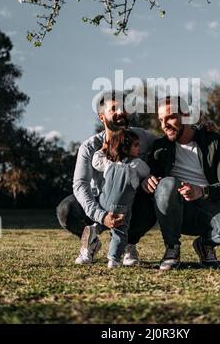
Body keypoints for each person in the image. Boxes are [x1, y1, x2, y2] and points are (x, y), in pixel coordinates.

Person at [140, 95, 220, 270]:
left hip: (209, 207)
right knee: (167, 184)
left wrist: (202, 191)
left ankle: (205, 244)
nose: (164, 125)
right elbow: (152, 178)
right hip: (176, 212)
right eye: (161, 120)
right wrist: (146, 180)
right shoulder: (160, 147)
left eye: (169, 117)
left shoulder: (215, 141)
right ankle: (172, 248)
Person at [56, 90, 157, 266]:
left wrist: (199, 130)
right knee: (66, 210)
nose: (121, 112)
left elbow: (170, 142)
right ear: (102, 117)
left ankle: (128, 244)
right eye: (114, 109)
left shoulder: (143, 137)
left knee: (150, 206)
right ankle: (90, 240)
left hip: (129, 203)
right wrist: (102, 216)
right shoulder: (89, 147)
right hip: (99, 203)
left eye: (124, 107)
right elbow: (80, 185)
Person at [77, 128, 150, 268]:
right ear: (126, 147)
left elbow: (95, 162)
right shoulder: (136, 164)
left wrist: (103, 149)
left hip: (103, 202)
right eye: (136, 145)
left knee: (102, 223)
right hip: (121, 207)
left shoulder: (109, 162)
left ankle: (93, 230)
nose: (139, 148)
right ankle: (113, 259)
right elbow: (147, 172)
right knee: (119, 232)